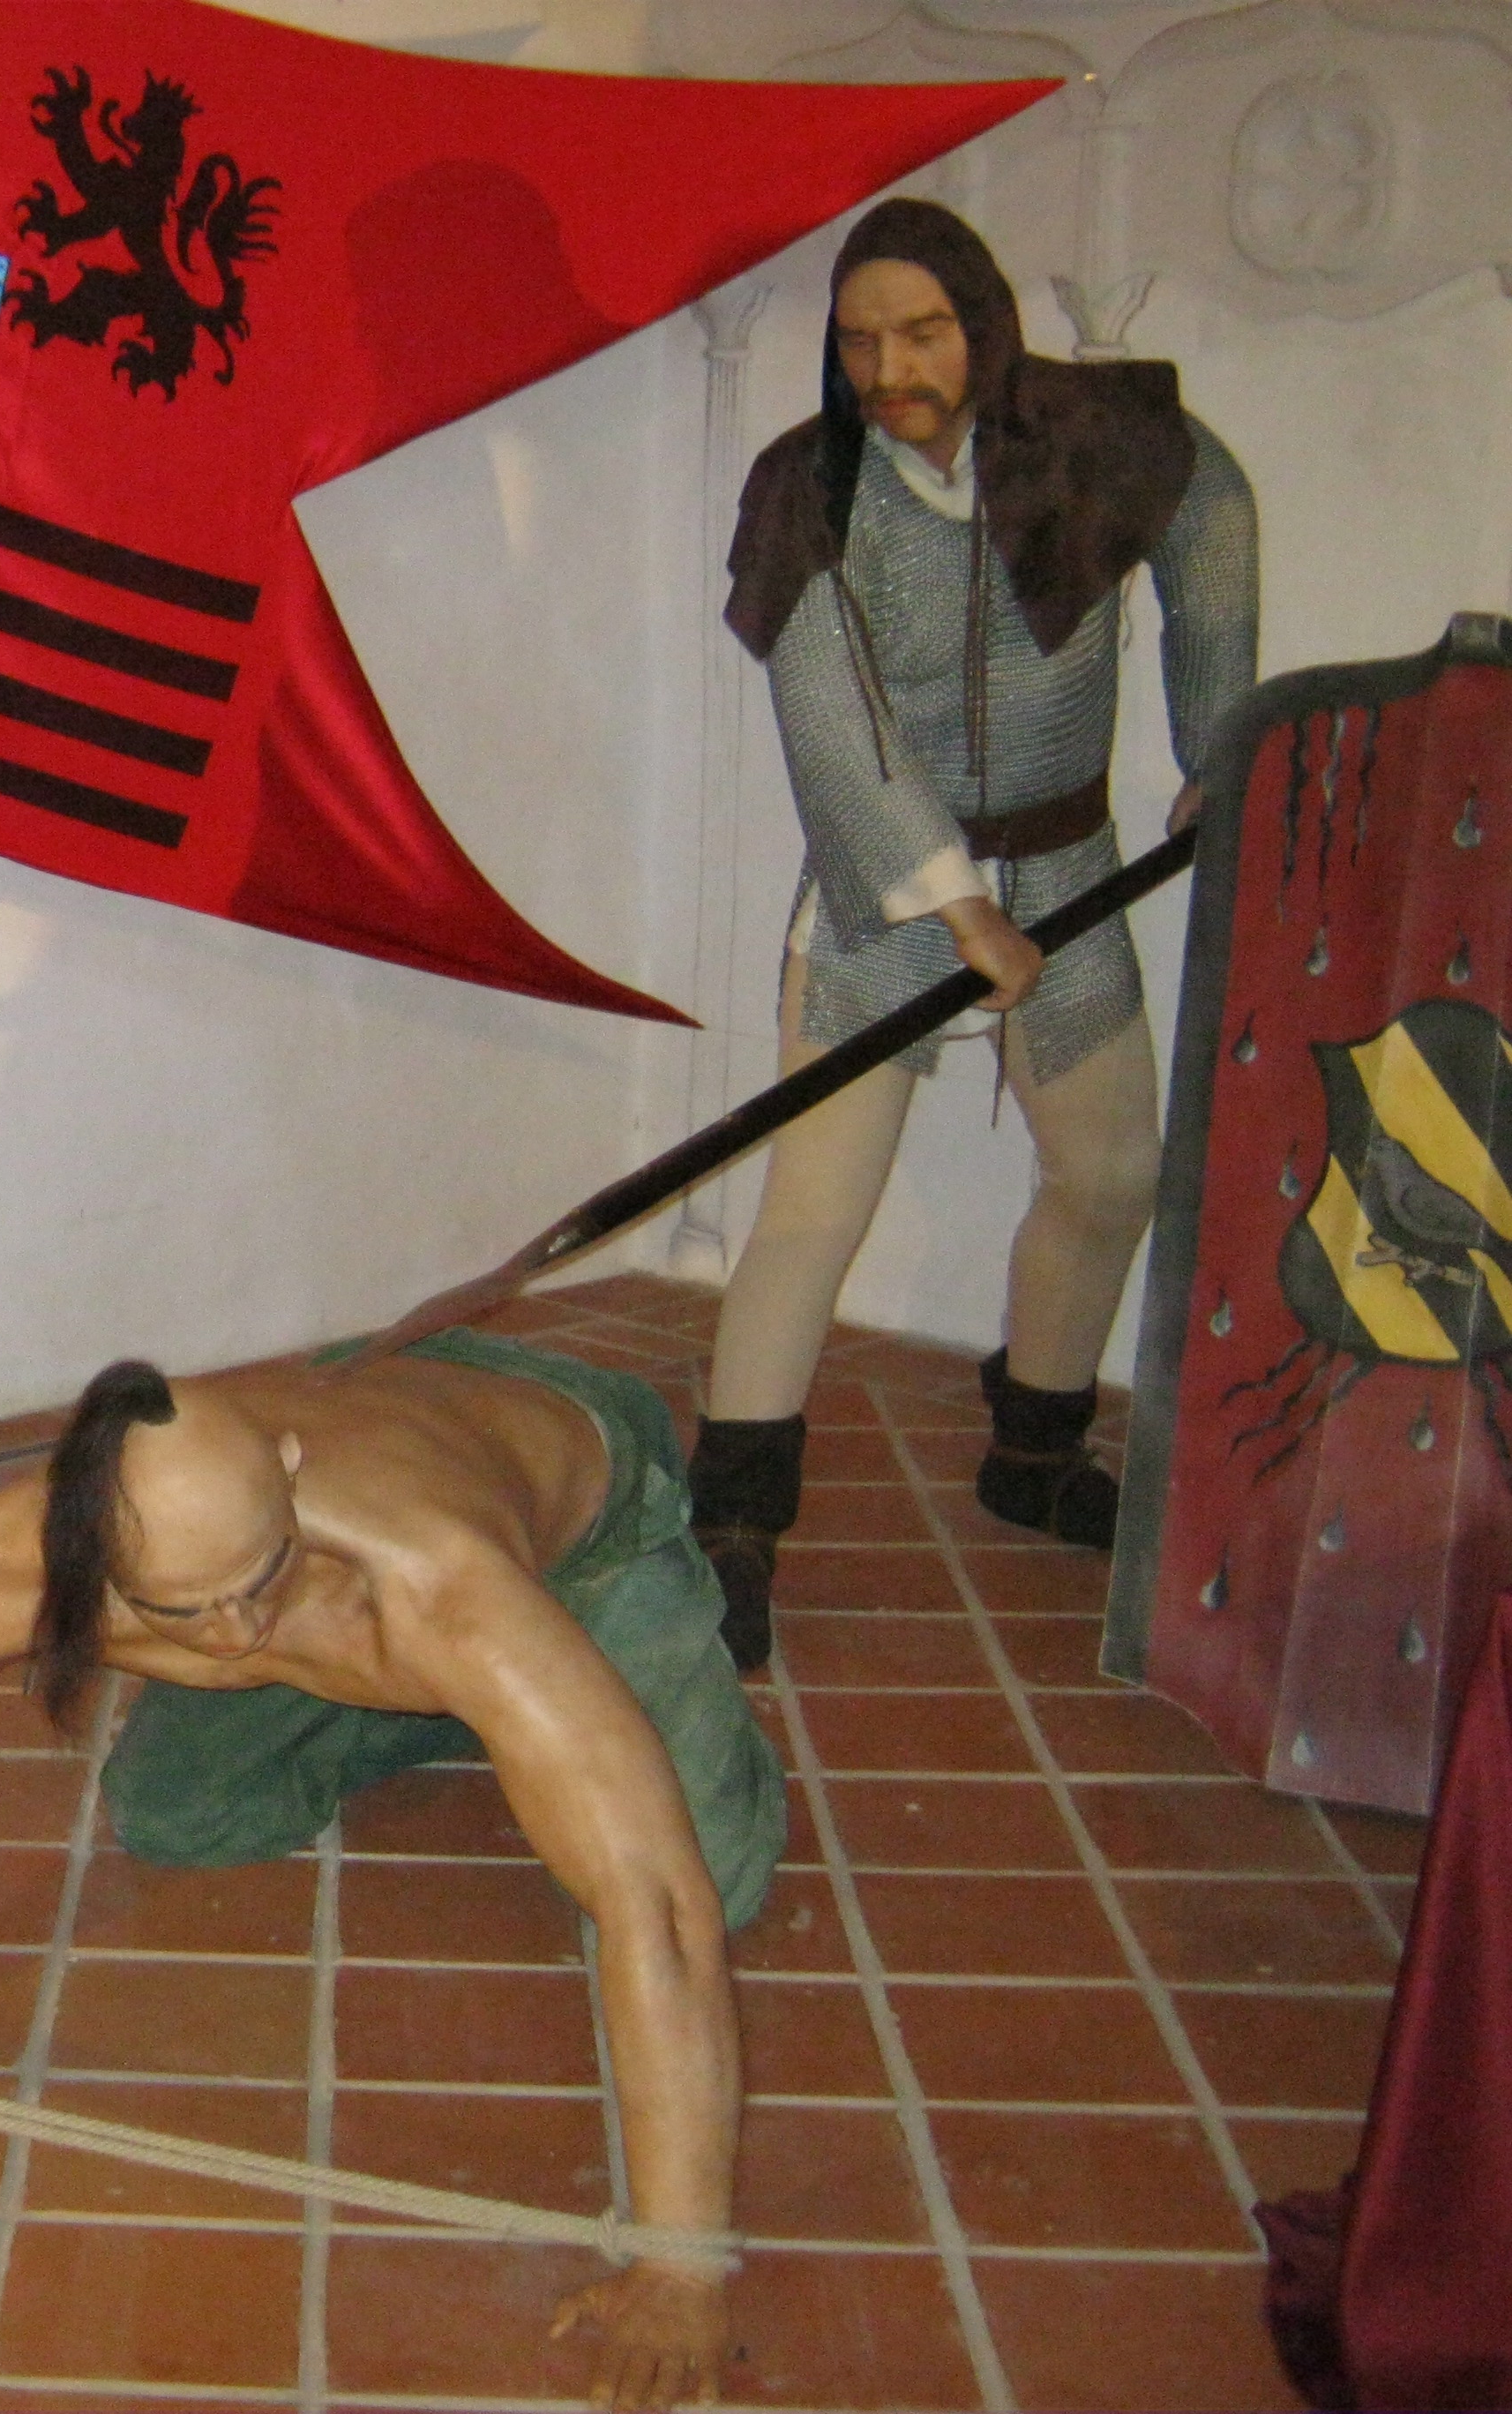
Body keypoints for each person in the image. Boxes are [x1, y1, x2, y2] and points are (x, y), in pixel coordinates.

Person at [0, 1331, 787, 2414]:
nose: (237, 1636)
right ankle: (473, 1716)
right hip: (367, 1505)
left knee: (710, 1873)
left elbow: (660, 1910)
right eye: (186, 1612)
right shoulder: (2, 1563)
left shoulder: (442, 1583)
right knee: (181, 1815)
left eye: (259, 1580)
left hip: (578, 1515)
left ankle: (550, 1701)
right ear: (88, 1554)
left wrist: (680, 2264)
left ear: (284, 1474)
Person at [694, 198, 1258, 1670]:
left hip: (1067, 869)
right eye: (859, 339)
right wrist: (955, 909)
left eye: (923, 332)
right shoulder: (810, 488)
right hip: (882, 897)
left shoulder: (1088, 442)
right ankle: (734, 1520)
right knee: (813, 1212)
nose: (891, 369)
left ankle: (1038, 1447)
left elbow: (1211, 507)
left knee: (1114, 1173)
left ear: (985, 325)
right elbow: (833, 723)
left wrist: (1221, 740)